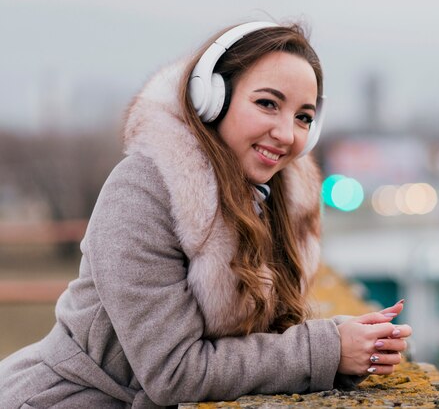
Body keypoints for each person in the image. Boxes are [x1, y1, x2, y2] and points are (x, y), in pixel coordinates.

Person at [0, 21, 412, 408]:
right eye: (268, 104)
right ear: (212, 97)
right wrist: (327, 350)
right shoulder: (143, 190)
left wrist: (347, 338)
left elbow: (249, 341)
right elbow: (174, 370)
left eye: (303, 117)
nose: (287, 133)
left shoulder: (272, 200)